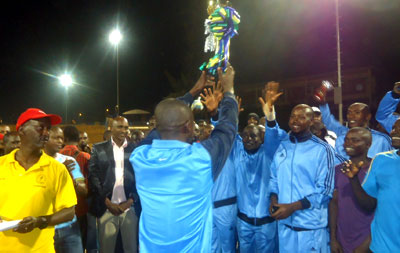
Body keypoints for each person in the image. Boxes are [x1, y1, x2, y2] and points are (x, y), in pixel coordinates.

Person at [130, 67, 238, 252]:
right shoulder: (201, 158)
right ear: (188, 127)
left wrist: (193, 92)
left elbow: (164, 119)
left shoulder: (139, 157)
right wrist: (229, 90)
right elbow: (227, 128)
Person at [0, 108, 76, 252]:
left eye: (48, 129)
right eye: (40, 128)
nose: (46, 133)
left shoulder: (57, 169)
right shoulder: (1, 165)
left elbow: (69, 211)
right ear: (22, 130)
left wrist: (40, 221)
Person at [269, 101, 335, 252]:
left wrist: (292, 207)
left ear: (312, 121)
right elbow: (273, 178)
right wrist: (273, 199)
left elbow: (325, 191)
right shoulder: (282, 145)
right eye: (293, 116)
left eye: (302, 117)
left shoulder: (323, 149)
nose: (295, 120)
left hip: (310, 229)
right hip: (285, 226)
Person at [341, 118, 400, 252]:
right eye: (394, 128)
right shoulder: (381, 159)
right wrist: (354, 179)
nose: (393, 132)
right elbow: (369, 205)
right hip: (382, 247)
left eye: (399, 128)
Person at [89, 116, 139, 253]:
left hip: (129, 208)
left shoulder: (135, 149)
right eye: (120, 127)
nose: (124, 130)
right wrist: (107, 203)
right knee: (106, 249)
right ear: (111, 128)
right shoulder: (98, 149)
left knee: (131, 249)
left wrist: (129, 202)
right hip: (106, 208)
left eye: (126, 127)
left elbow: (139, 178)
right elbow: (93, 177)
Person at [329, 127, 374, 253]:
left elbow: (383, 211)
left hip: (369, 242)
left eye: (354, 140)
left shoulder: (376, 169)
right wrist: (333, 238)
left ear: (368, 144)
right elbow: (334, 203)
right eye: (347, 140)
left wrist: (368, 243)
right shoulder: (338, 170)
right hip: (342, 241)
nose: (348, 144)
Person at [44, 127, 88, 253]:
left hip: (69, 227)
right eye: (55, 138)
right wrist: (59, 173)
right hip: (45, 227)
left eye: (61, 138)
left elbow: (83, 191)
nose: (60, 141)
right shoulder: (37, 163)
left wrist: (70, 179)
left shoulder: (70, 161)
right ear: (45, 139)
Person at [318, 100, 392, 160]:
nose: (351, 116)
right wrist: (323, 103)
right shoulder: (342, 135)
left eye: (357, 113)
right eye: (349, 113)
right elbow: (328, 121)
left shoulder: (382, 139)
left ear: (368, 116)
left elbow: (390, 163)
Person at [60, 126, 93, 252]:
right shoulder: (86, 157)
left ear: (64, 138)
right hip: (81, 208)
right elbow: (90, 187)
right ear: (78, 139)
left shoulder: (55, 158)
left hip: (60, 211)